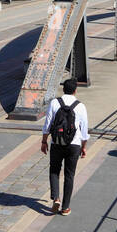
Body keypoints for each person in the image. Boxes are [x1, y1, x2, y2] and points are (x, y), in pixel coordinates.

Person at [41, 76, 89, 216]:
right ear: (75, 91)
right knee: (69, 175)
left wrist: (44, 141)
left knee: (54, 170)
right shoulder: (80, 106)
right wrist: (83, 147)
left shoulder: (55, 103)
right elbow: (84, 131)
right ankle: (65, 207)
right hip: (73, 144)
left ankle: (56, 198)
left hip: (57, 142)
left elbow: (48, 124)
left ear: (63, 90)